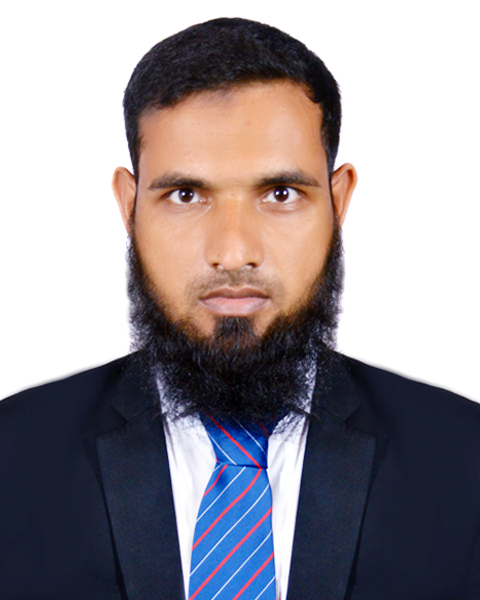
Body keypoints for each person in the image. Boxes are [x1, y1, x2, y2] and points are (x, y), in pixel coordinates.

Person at [0, 17, 479, 600]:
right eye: (185, 195)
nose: (232, 252)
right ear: (129, 206)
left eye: (280, 194)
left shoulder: (465, 462)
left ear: (339, 201)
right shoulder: (12, 459)